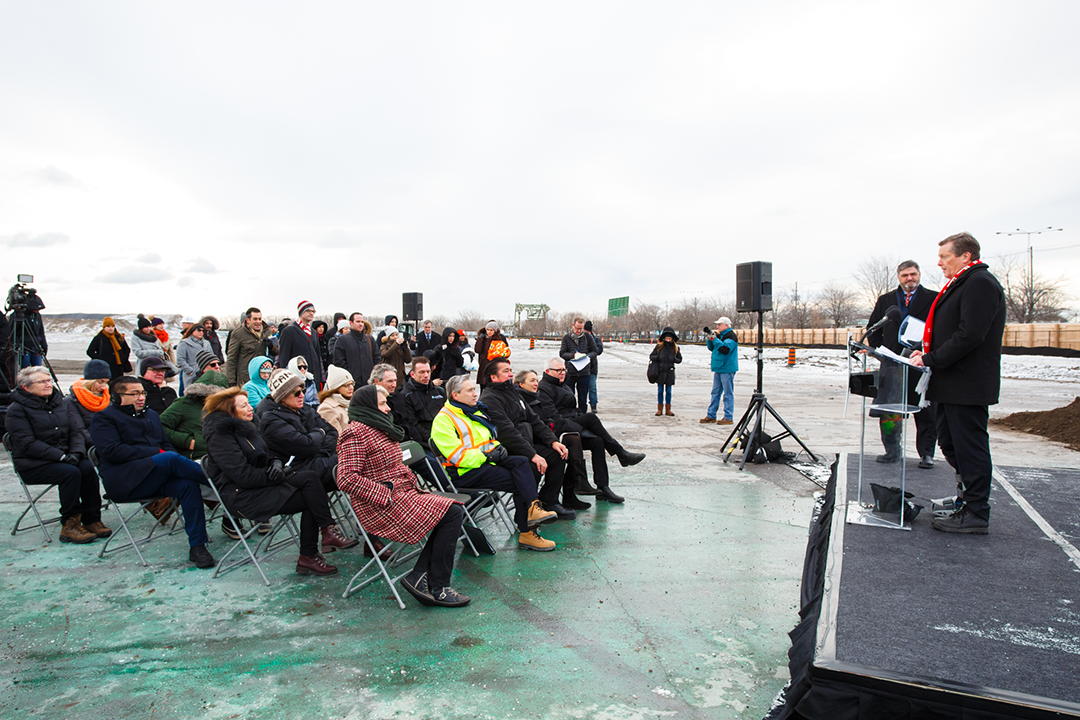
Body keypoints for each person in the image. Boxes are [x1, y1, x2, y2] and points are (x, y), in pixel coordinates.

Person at [338, 384, 471, 607]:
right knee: (451, 513)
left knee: (451, 511)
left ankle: (422, 577)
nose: (388, 408)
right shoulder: (355, 433)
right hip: (380, 504)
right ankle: (438, 587)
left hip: (402, 495)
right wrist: (384, 493)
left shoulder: (380, 427)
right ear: (368, 406)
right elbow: (346, 478)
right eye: (382, 404)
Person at [202, 387, 357, 577]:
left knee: (311, 479)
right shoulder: (220, 437)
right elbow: (243, 476)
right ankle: (311, 552)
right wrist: (275, 474)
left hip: (264, 482)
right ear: (230, 411)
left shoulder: (248, 427)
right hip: (243, 495)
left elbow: (269, 455)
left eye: (249, 403)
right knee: (312, 496)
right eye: (244, 406)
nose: (251, 408)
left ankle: (326, 533)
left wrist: (275, 464)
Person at [910, 233, 1007, 534]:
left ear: (965, 256)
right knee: (951, 444)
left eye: (944, 256)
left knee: (970, 447)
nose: (939, 263)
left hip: (968, 384)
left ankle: (977, 512)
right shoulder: (963, 282)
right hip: (952, 383)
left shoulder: (979, 283)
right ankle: (966, 498)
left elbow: (970, 335)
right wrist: (927, 353)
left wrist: (932, 359)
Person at [89, 375, 215, 568]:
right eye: (135, 394)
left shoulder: (151, 415)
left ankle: (197, 546)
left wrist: (163, 454)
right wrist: (156, 453)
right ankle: (223, 484)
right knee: (169, 458)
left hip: (154, 474)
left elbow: (165, 444)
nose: (141, 397)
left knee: (187, 484)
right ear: (117, 396)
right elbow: (111, 451)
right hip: (124, 480)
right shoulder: (104, 418)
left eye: (143, 393)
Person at [431, 375, 558, 552]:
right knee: (521, 481)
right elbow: (458, 457)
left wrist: (498, 449)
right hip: (463, 472)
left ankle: (533, 510)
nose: (475, 394)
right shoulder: (444, 420)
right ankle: (528, 532)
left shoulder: (472, 411)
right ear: (455, 396)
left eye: (474, 389)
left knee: (523, 462)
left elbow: (487, 440)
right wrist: (488, 455)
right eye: (470, 391)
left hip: (483, 463)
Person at [6, 366, 109, 544]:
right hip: (33, 463)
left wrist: (76, 452)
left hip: (66, 457)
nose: (48, 384)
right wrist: (61, 456)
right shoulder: (16, 410)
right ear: (26, 387)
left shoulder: (59, 403)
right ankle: (70, 525)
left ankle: (92, 519)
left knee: (86, 468)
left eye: (49, 380)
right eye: (43, 382)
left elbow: (75, 431)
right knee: (70, 473)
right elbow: (27, 443)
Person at [535, 358, 645, 504]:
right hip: (559, 430)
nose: (562, 373)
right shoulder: (544, 388)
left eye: (563, 370)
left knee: (597, 441)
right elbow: (554, 417)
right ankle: (620, 453)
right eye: (558, 370)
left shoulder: (564, 386)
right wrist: (580, 428)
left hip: (571, 424)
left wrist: (580, 425)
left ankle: (603, 487)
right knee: (591, 418)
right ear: (548, 371)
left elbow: (573, 409)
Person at [480, 359, 574, 520]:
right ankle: (525, 514)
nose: (511, 374)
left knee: (558, 455)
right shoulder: (490, 399)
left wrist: (553, 441)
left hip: (526, 444)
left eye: (510, 370)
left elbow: (534, 420)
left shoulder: (513, 393)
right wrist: (533, 454)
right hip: (507, 449)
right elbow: (507, 433)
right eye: (505, 371)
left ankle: (548, 501)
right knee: (531, 465)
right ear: (493, 377)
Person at [867, 260, 938, 468]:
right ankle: (892, 451)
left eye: (913, 274)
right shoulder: (886, 300)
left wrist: (928, 353)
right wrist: (881, 352)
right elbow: (873, 327)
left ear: (919, 274)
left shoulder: (933, 299)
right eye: (906, 275)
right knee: (890, 410)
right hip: (892, 363)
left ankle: (926, 454)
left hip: (921, 362)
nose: (910, 278)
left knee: (925, 411)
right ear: (898, 277)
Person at [257, 368, 339, 495]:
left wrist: (318, 450)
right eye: (296, 393)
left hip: (316, 460)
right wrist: (321, 433)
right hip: (297, 470)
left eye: (303, 391)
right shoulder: (271, 419)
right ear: (282, 397)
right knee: (352, 464)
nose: (302, 395)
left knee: (356, 460)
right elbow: (307, 445)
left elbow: (332, 433)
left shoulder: (304, 408)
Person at [160, 369, 230, 460]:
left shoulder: (224, 408)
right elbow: (160, 425)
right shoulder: (184, 404)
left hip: (221, 456)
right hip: (195, 458)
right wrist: (188, 441)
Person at [66, 359, 113, 448]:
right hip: (92, 446)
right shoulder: (71, 401)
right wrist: (102, 445)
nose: (103, 387)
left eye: (106, 382)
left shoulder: (107, 398)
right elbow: (79, 429)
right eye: (100, 382)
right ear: (90, 381)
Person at [224, 308, 276, 387]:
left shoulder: (266, 332)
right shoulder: (238, 334)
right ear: (248, 320)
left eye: (259, 319)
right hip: (245, 378)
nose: (258, 322)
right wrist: (231, 380)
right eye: (255, 319)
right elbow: (231, 358)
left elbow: (276, 353)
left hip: (263, 376)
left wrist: (271, 346)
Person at [277, 301, 323, 389]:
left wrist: (319, 378)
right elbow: (283, 357)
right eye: (308, 311)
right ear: (301, 312)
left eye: (313, 311)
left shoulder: (313, 332)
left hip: (313, 379)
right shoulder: (289, 331)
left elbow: (317, 356)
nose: (311, 313)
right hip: (297, 378)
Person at [701, 317, 738, 426]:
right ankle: (711, 415)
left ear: (726, 325)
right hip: (719, 367)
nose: (718, 327)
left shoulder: (731, 336)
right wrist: (710, 339)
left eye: (720, 325)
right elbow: (712, 348)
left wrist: (715, 339)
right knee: (715, 393)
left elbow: (725, 349)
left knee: (727, 393)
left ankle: (728, 416)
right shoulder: (720, 336)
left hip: (727, 368)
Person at [559, 317, 600, 413]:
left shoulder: (588, 337)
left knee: (583, 398)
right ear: (573, 325)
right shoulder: (566, 338)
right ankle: (570, 415)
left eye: (581, 329)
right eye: (577, 328)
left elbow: (595, 351)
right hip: (571, 372)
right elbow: (562, 353)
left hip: (584, 372)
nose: (579, 331)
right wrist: (573, 355)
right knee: (569, 397)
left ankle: (583, 416)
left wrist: (587, 357)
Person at [332, 312, 380, 389]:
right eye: (358, 321)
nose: (361, 324)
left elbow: (377, 359)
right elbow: (339, 362)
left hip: (369, 383)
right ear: (351, 323)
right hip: (351, 384)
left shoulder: (369, 339)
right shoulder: (343, 340)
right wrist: (349, 377)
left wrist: (373, 375)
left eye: (362, 322)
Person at [650, 327, 682, 416]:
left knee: (669, 391)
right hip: (660, 372)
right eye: (667, 338)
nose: (668, 340)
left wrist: (673, 359)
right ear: (664, 338)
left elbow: (679, 359)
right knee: (660, 391)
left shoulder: (675, 348)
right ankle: (659, 409)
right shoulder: (659, 347)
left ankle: (668, 409)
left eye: (670, 338)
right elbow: (652, 356)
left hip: (670, 372)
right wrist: (659, 358)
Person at [316, 365, 355, 434]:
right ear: (336, 387)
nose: (351, 387)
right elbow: (337, 438)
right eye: (347, 385)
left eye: (352, 384)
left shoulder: (349, 403)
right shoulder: (327, 409)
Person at [176, 322, 212, 391]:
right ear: (192, 331)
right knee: (191, 393)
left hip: (205, 373)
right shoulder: (184, 343)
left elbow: (211, 357)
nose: (201, 332)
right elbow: (180, 360)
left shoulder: (206, 343)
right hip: (191, 374)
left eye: (203, 331)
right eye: (199, 330)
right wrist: (190, 370)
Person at [475, 322, 510, 388]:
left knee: (492, 385)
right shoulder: (483, 339)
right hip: (484, 365)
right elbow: (478, 350)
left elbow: (504, 352)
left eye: (491, 330)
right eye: (488, 330)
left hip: (494, 366)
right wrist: (480, 339)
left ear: (495, 331)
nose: (489, 332)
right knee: (483, 386)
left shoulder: (498, 340)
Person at [379, 326, 412, 392]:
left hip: (400, 376)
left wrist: (406, 349)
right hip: (390, 375)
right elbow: (386, 354)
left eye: (396, 335)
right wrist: (396, 344)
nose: (395, 337)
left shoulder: (400, 347)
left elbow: (408, 360)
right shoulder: (384, 346)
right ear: (388, 337)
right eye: (392, 335)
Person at [584, 320, 602, 412]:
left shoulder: (596, 340)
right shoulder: (580, 339)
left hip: (592, 367)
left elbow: (599, 350)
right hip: (581, 367)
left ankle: (593, 405)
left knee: (592, 387)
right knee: (582, 388)